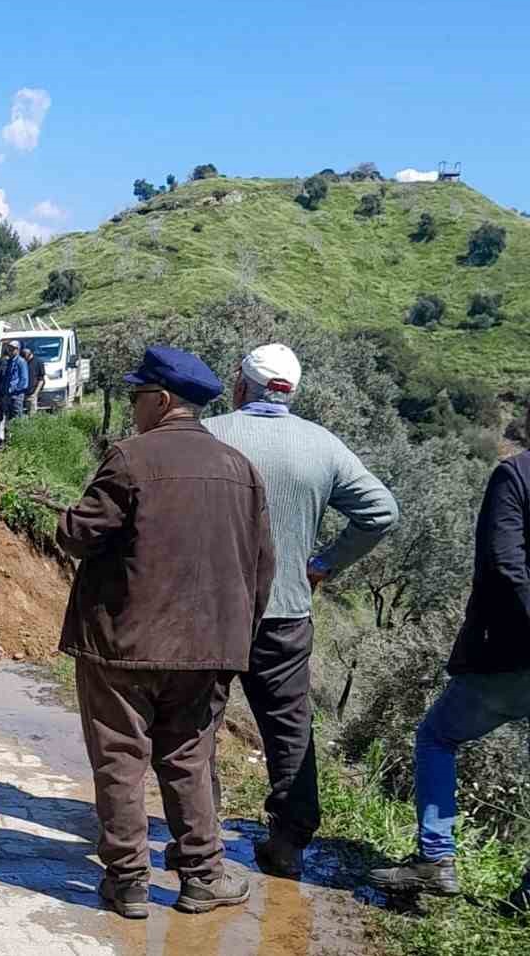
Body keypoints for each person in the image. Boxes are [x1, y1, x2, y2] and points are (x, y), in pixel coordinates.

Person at [57, 346, 275, 919]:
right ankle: (202, 876)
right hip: (207, 649)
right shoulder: (241, 470)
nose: (133, 408)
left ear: (162, 400)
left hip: (124, 646)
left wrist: (64, 519)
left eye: (136, 397)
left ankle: (128, 883)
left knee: (120, 758)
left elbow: (81, 536)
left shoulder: (129, 460)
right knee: (188, 757)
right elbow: (262, 569)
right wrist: (235, 638)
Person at [203, 343, 399, 878]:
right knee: (290, 728)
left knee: (198, 720)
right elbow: (382, 511)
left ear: (241, 385)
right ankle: (288, 840)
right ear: (291, 393)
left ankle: (199, 834)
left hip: (211, 611)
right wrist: (325, 564)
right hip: (287, 613)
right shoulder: (322, 446)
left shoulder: (210, 434)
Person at [371, 401, 530, 909]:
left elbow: (504, 562)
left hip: (511, 653)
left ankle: (436, 858)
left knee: (438, 737)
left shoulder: (515, 476)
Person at [0, 341, 29, 446]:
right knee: (7, 418)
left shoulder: (21, 362)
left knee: (16, 418)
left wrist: (13, 389)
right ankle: (8, 441)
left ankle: (18, 441)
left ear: (17, 350)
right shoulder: (9, 362)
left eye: (12, 348)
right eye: (9, 348)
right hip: (7, 396)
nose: (10, 350)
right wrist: (4, 390)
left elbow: (24, 381)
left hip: (16, 396)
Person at [23, 346, 44, 415]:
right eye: (24, 353)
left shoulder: (38, 362)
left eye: (26, 353)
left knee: (32, 414)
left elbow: (41, 380)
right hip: (21, 393)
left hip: (32, 393)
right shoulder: (22, 362)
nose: (24, 354)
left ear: (30, 352)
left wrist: (35, 394)